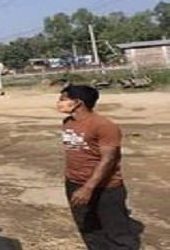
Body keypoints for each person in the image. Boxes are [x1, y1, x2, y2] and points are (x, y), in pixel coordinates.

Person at [56, 85, 140, 250]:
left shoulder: (103, 125)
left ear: (78, 102)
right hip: (74, 183)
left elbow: (108, 159)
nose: (59, 102)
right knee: (88, 229)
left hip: (105, 188)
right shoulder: (68, 123)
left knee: (117, 233)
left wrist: (88, 187)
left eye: (63, 99)